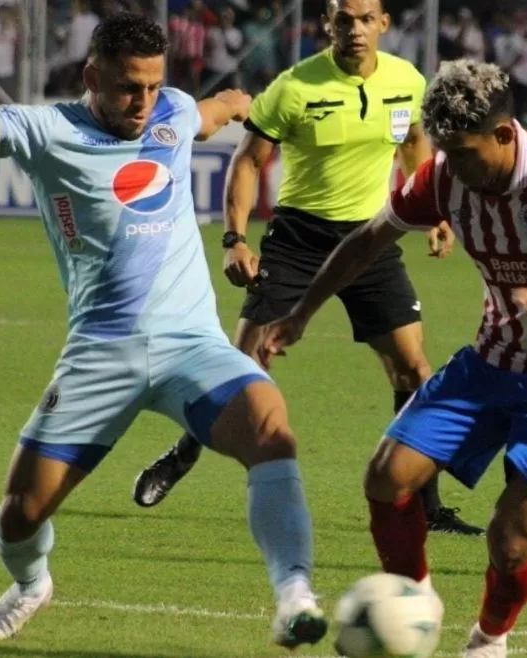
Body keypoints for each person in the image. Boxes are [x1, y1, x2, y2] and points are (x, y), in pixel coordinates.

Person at [0, 12, 328, 650]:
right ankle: (31, 585)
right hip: (100, 355)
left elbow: (208, 111)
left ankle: (294, 594)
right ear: (92, 76)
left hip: (191, 345)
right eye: (129, 87)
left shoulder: (173, 112)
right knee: (20, 515)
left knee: (272, 429)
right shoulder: (47, 131)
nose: (144, 102)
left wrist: (236, 102)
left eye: (154, 86)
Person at [259, 60, 527, 657]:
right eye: (444, 152)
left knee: (510, 543)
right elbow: (364, 242)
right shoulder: (442, 178)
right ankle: (417, 603)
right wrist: (302, 312)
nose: (451, 167)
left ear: (505, 134)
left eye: (463, 152)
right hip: (490, 362)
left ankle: (489, 639)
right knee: (386, 479)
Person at [132, 0, 485, 536]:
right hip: (299, 239)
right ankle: (182, 455)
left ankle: (425, 506)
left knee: (413, 371)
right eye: (345, 19)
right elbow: (249, 160)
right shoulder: (295, 87)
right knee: (244, 365)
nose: (356, 29)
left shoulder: (407, 80)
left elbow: (414, 143)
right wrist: (234, 240)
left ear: (384, 24)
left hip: (371, 238)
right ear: (328, 25)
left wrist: (431, 212)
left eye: (367, 19)